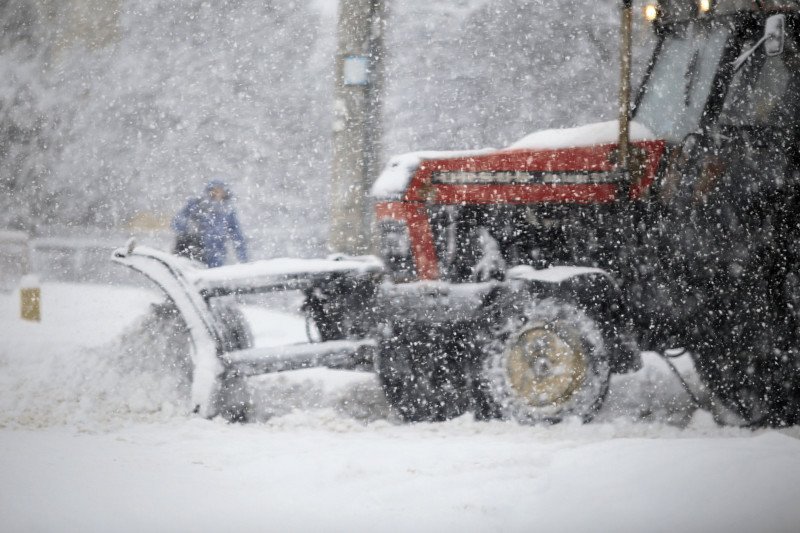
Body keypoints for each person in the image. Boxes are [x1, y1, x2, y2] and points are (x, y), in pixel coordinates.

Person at [172, 180, 248, 268]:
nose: (217, 193)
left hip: (217, 255)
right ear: (208, 191)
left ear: (225, 193)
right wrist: (189, 229)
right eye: (214, 190)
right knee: (192, 276)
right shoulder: (196, 204)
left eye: (220, 190)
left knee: (212, 277)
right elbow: (177, 222)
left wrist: (243, 259)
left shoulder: (228, 211)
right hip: (194, 250)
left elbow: (237, 236)